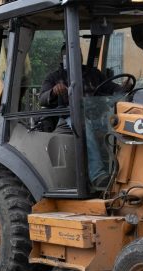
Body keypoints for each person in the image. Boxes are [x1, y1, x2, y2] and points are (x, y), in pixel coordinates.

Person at [38, 44, 125, 188]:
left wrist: (123, 88)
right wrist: (53, 92)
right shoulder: (54, 77)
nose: (74, 58)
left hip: (97, 115)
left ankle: (121, 170)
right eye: (69, 55)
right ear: (62, 58)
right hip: (69, 117)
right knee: (83, 124)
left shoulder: (93, 74)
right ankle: (97, 175)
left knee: (117, 122)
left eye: (77, 54)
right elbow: (42, 98)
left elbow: (113, 88)